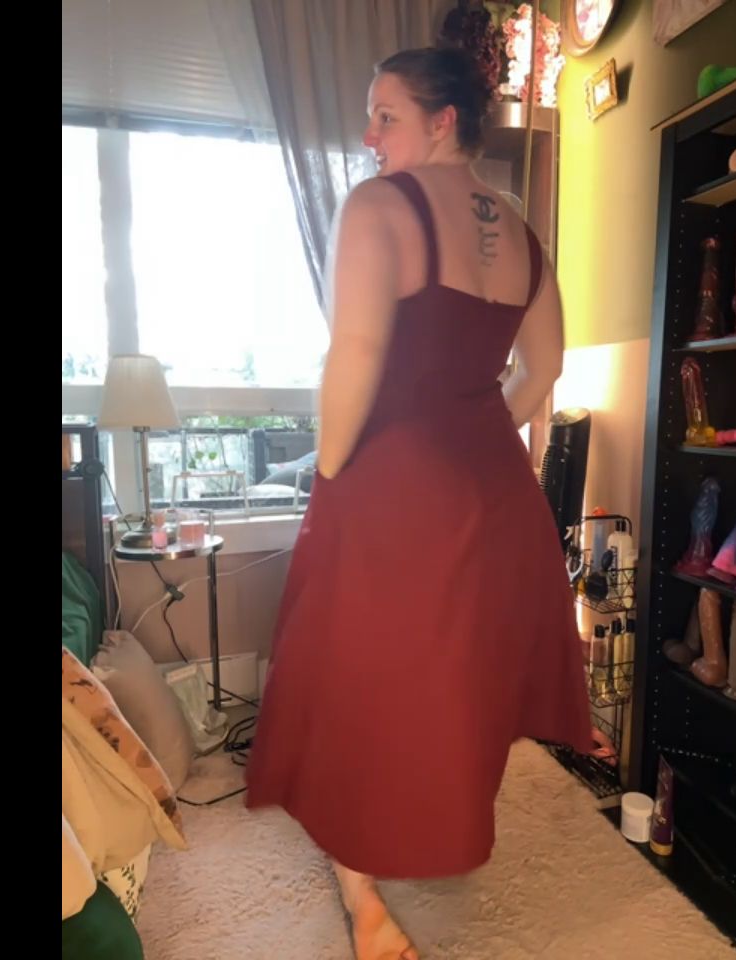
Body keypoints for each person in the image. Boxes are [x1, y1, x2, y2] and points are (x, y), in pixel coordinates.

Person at [245, 46, 592, 960]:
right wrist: (474, 429)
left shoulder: (378, 207)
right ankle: (437, 832)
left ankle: (364, 895)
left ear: (442, 122)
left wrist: (330, 472)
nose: (369, 135)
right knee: (455, 678)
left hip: (395, 486)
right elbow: (544, 370)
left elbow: (355, 353)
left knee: (353, 676)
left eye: (385, 115)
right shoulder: (525, 234)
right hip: (496, 493)